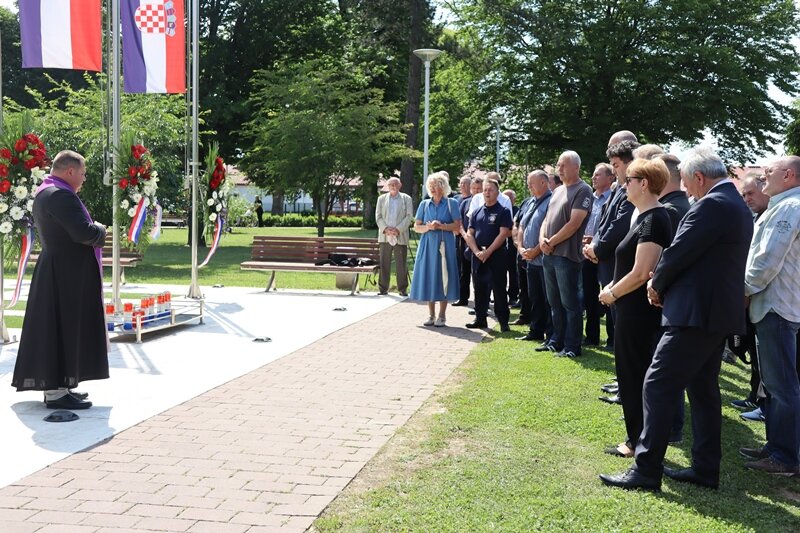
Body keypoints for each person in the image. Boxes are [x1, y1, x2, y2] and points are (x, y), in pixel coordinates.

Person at [600, 147, 753, 491]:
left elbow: (677, 252)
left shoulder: (712, 204)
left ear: (699, 178)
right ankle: (704, 468)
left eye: (685, 183)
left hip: (694, 313)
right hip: (714, 314)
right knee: (702, 391)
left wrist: (656, 282)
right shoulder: (735, 203)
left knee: (657, 383)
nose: (684, 191)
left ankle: (646, 470)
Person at [12, 150, 108, 410]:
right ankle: (55, 393)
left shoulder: (48, 191)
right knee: (61, 327)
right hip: (64, 275)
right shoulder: (61, 195)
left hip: (61, 271)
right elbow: (83, 233)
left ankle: (62, 386)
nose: (84, 178)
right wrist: (101, 229)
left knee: (64, 328)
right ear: (70, 172)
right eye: (83, 173)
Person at [598, 158, 672, 458]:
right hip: (629, 308)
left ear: (644, 183)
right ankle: (635, 438)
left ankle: (636, 442)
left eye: (629, 179)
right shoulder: (644, 217)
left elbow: (642, 272)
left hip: (638, 312)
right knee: (630, 373)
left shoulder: (655, 219)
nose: (623, 183)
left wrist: (612, 292)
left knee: (634, 374)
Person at [741, 156, 800, 476]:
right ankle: (776, 447)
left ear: (789, 175)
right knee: (776, 385)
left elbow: (767, 260)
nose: (764, 176)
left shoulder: (790, 207)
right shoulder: (783, 204)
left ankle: (785, 457)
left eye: (770, 172)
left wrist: (745, 289)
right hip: (775, 305)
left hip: (776, 306)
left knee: (782, 385)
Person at [584, 139, 640, 351]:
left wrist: (597, 249)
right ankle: (623, 379)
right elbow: (604, 222)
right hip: (607, 263)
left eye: (616, 166)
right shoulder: (620, 188)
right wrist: (594, 245)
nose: (614, 171)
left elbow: (619, 226)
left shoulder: (630, 190)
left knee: (624, 327)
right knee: (617, 321)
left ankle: (626, 381)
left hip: (620, 265)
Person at [538, 151, 593, 357]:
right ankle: (555, 340)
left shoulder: (583, 190)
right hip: (549, 255)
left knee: (570, 304)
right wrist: (543, 240)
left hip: (567, 256)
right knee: (554, 302)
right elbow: (546, 219)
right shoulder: (558, 190)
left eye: (563, 165)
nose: (559, 169)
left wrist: (551, 242)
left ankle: (572, 346)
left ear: (576, 167)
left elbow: (574, 223)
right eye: (558, 165)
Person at [409, 172, 461, 327]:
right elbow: (416, 227)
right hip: (427, 245)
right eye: (430, 186)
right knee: (429, 276)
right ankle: (431, 315)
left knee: (444, 274)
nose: (433, 189)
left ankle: (442, 315)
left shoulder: (452, 203)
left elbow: (457, 226)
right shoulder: (424, 204)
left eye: (436, 186)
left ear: (443, 187)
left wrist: (441, 226)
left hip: (445, 245)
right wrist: (428, 227)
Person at [464, 178, 513, 331]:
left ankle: (503, 321)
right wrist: (477, 251)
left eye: (490, 190)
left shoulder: (503, 211)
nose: (486, 192)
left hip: (496, 255)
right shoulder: (477, 212)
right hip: (478, 256)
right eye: (485, 190)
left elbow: (504, 233)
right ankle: (480, 319)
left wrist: (488, 251)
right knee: (478, 288)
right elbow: (469, 233)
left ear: (497, 192)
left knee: (498, 288)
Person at [516, 170, 552, 341]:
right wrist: (521, 247)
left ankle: (550, 333)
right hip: (530, 259)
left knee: (548, 299)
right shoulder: (530, 202)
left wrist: (536, 250)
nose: (529, 185)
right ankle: (535, 330)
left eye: (532, 182)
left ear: (544, 183)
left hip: (544, 259)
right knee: (535, 297)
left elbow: (550, 231)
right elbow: (522, 226)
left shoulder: (551, 202)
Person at [582, 163, 614, 346]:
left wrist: (595, 240)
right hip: (587, 254)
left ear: (610, 178)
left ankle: (612, 338)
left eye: (597, 175)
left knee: (608, 294)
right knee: (589, 295)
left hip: (604, 254)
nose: (593, 178)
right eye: (593, 175)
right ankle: (592, 336)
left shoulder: (613, 199)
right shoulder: (590, 199)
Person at [375, 177, 413, 296]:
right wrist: (386, 229)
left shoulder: (406, 199)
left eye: (396, 184)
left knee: (401, 264)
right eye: (391, 184)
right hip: (385, 236)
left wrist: (398, 229)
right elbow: (378, 216)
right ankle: (383, 288)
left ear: (400, 185)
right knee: (384, 263)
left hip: (400, 235)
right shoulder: (381, 199)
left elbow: (409, 216)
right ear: (387, 186)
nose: (393, 186)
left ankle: (402, 289)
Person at [454, 177, 483, 306]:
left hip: (480, 243)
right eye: (474, 188)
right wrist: (464, 235)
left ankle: (481, 303)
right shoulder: (465, 203)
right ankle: (463, 297)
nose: (476, 191)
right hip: (464, 240)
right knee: (463, 270)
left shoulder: (485, 202)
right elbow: (459, 222)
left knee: (478, 274)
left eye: (479, 189)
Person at [502, 189, 520, 307]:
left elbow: (517, 227)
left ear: (514, 199)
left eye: (510, 198)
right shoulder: (501, 210)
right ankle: (501, 296)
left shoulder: (517, 211)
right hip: (501, 246)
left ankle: (513, 296)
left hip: (513, 246)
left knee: (513, 272)